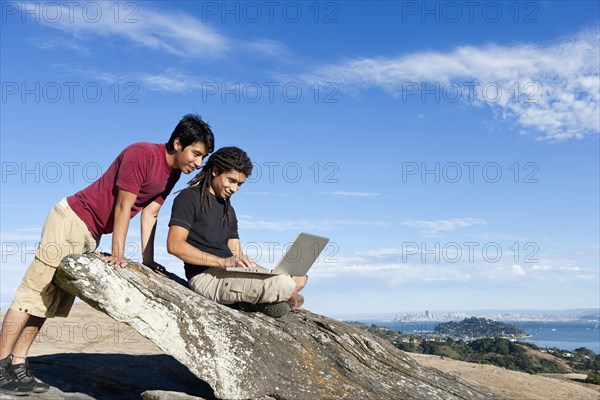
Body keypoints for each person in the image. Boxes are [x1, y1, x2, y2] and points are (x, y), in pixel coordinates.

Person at [0, 114, 215, 396]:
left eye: (203, 157)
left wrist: (148, 261)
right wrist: (118, 254)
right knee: (33, 294)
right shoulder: (141, 154)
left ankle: (17, 365)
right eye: (196, 154)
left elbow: (150, 213)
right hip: (71, 219)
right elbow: (124, 207)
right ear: (178, 143)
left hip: (89, 233)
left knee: (49, 302)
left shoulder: (172, 173)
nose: (198, 163)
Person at [167, 147, 307, 318]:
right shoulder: (189, 198)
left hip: (229, 273)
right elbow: (175, 246)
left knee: (299, 278)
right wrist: (222, 261)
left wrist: (268, 272)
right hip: (205, 278)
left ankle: (254, 301)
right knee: (285, 284)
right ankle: (275, 299)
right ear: (215, 171)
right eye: (231, 180)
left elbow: (237, 256)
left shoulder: (229, 210)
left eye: (239, 184)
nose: (234, 188)